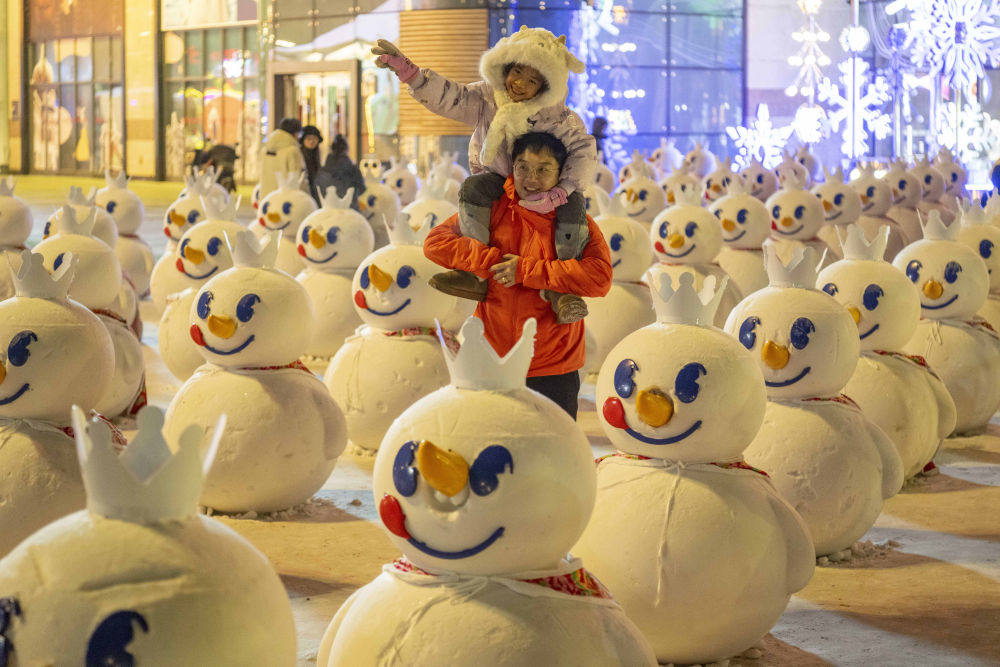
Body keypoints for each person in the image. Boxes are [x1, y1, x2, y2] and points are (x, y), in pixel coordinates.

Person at [374, 27, 597, 324]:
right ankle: (474, 274)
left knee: (574, 203)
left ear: (545, 86)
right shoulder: (487, 98)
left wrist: (563, 189)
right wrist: (409, 72)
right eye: (517, 72)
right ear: (505, 67)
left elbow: (583, 150)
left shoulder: (557, 116)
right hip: (496, 180)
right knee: (474, 187)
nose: (520, 83)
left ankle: (563, 289)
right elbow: (450, 97)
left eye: (533, 80)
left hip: (545, 191)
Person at [424, 132, 613, 419]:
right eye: (523, 167)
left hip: (554, 363)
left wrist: (526, 270)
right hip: (493, 356)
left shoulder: (576, 223)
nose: (531, 178)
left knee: (552, 443)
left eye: (543, 169)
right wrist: (491, 260)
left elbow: (599, 278)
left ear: (561, 173)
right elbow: (435, 243)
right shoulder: (492, 210)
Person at [315, 134, 366, 211]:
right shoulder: (353, 169)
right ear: (346, 149)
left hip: (327, 212)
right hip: (350, 211)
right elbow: (362, 189)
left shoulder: (322, 172)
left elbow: (317, 191)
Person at [259, 117, 305, 198]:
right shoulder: (293, 150)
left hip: (266, 197)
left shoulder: (266, 149)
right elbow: (295, 178)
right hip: (286, 199)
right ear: (295, 133)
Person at [299, 125, 323, 203]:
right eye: (309, 139)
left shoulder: (317, 155)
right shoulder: (299, 155)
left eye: (315, 139)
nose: (312, 141)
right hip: (302, 194)